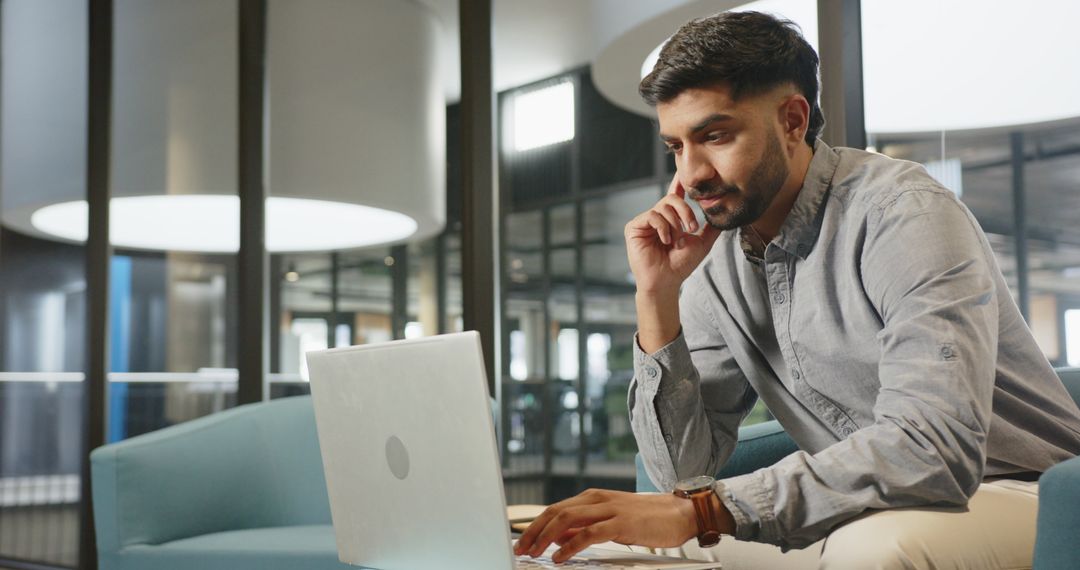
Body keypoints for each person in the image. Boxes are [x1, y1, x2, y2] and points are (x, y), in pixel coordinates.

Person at [514, 10, 1080, 569]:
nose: (691, 175)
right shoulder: (715, 260)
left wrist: (709, 511)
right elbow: (682, 476)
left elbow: (933, 445)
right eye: (677, 147)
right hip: (871, 503)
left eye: (714, 135)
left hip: (1027, 489)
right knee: (629, 552)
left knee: (872, 552)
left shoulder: (902, 214)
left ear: (791, 119)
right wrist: (657, 298)